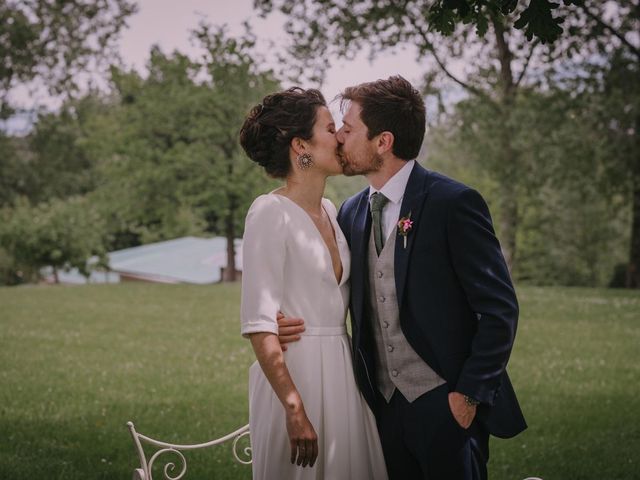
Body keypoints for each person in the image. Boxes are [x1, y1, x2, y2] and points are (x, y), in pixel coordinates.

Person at [278, 76, 527, 480]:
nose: (339, 137)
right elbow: (332, 286)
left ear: (383, 141)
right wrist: (282, 316)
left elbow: (500, 310)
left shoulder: (453, 203)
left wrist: (467, 397)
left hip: (445, 404)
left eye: (348, 127)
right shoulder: (351, 213)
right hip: (380, 407)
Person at [238, 87, 388, 480]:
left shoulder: (331, 211)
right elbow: (258, 322)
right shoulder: (269, 212)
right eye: (329, 127)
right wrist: (294, 408)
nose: (340, 135)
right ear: (301, 145)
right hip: (296, 378)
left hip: (342, 371)